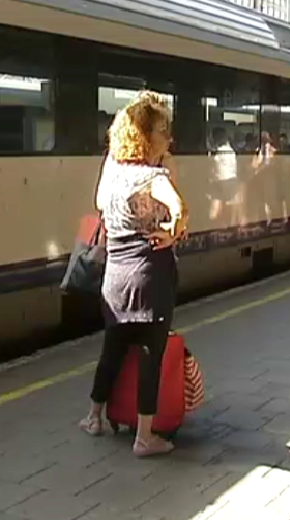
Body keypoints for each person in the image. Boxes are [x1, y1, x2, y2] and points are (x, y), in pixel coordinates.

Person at [82, 91, 189, 457]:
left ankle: (93, 417)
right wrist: (173, 230)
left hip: (115, 276)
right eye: (162, 130)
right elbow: (179, 207)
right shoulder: (153, 176)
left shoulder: (112, 170)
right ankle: (145, 437)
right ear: (144, 135)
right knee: (149, 355)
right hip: (149, 275)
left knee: (112, 348)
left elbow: (100, 204)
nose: (168, 137)